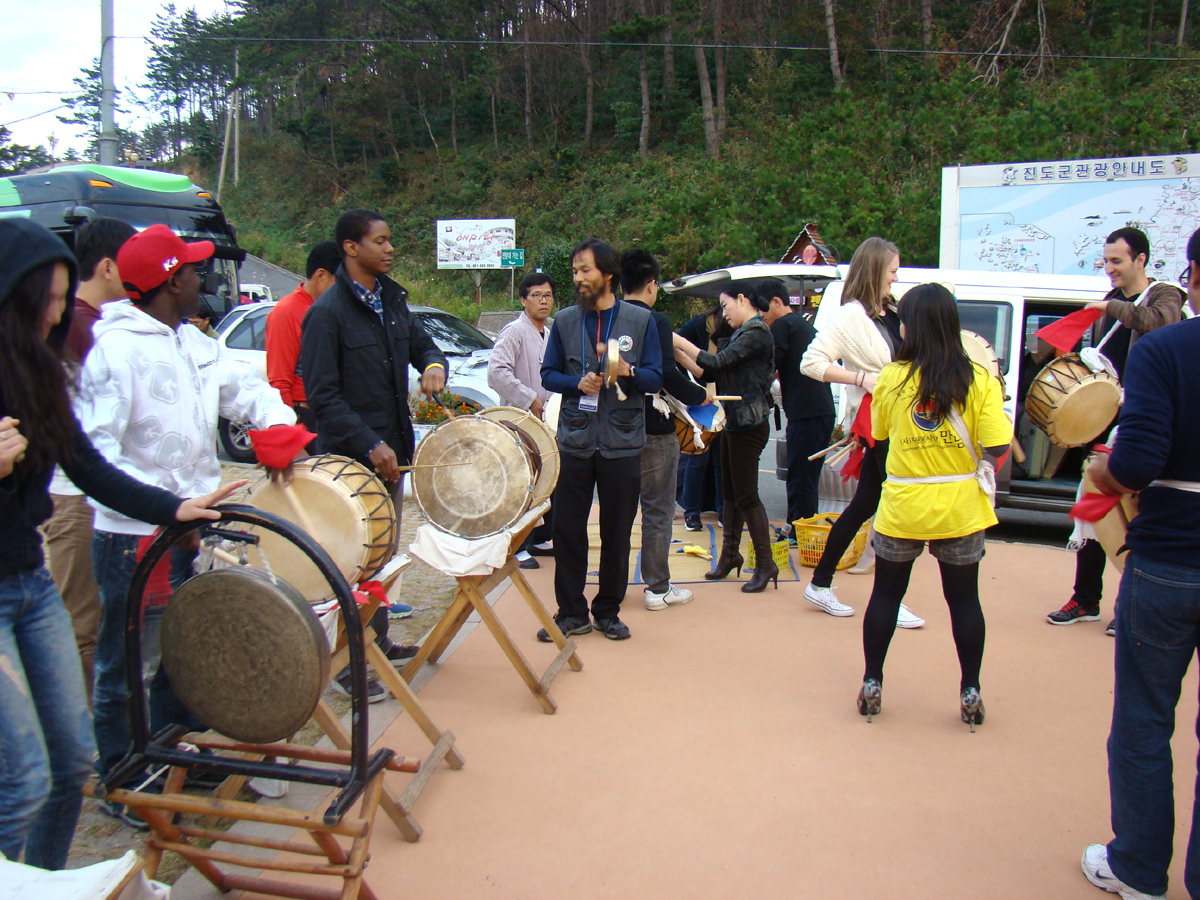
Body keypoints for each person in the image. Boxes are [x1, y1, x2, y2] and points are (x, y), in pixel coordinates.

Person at [0, 218, 240, 869]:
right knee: (22, 772)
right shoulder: (110, 350)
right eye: (47, 301)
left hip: (28, 581)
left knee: (68, 760)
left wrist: (174, 507)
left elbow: (86, 463)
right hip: (39, 574)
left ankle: (41, 880)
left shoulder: (42, 371)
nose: (60, 313)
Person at [77, 224, 296, 826]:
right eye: (195, 270)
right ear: (173, 280)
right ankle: (123, 773)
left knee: (185, 646)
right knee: (125, 661)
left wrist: (279, 432)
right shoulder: (113, 351)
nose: (204, 278)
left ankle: (173, 751)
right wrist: (161, 504)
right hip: (132, 533)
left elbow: (246, 390)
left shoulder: (192, 341)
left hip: (189, 526)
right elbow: (95, 452)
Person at [1078, 226, 1200, 900]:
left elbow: (1136, 463)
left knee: (1147, 721)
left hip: (1171, 561)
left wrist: (1103, 474)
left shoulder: (1165, 349)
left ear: (1194, 276)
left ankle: (1139, 869)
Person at [298, 210, 445, 683]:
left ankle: (377, 641)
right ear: (351, 247)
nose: (390, 249)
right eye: (380, 241)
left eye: (390, 241)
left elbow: (422, 344)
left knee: (380, 557)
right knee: (350, 561)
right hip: (348, 461)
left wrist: (433, 364)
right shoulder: (326, 314)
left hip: (392, 455)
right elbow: (322, 397)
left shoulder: (392, 300)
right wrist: (370, 441)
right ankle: (348, 664)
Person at [855, 283, 1011, 728]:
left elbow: (880, 436)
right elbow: (998, 443)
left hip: (903, 503)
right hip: (959, 507)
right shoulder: (978, 379)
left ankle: (872, 681)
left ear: (910, 326)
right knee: (964, 601)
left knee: (886, 593)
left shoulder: (892, 378)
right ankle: (971, 689)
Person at [1047, 226, 1184, 634]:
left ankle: (1130, 605)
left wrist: (1111, 311)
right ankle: (1085, 599)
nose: (1109, 269)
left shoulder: (1164, 294)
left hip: (1144, 419)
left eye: (1117, 261)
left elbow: (1163, 325)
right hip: (1107, 421)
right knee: (1092, 508)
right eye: (1106, 261)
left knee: (1134, 515)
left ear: (1141, 260)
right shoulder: (1111, 300)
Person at [538, 238, 662, 641]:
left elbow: (656, 378)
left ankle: (607, 610)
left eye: (585, 270)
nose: (578, 279)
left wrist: (626, 370)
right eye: (575, 271)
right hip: (574, 438)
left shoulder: (641, 322)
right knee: (568, 530)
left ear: (608, 274)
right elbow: (548, 375)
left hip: (622, 442)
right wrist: (577, 383)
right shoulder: (565, 321)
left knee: (617, 532)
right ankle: (571, 612)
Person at [799, 237, 925, 628]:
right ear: (874, 271)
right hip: (882, 427)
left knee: (865, 508)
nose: (896, 277)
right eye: (891, 271)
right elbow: (812, 363)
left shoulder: (893, 309)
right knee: (891, 511)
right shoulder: (849, 317)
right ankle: (885, 597)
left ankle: (823, 584)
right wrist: (863, 378)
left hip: (902, 425)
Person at [40, 217, 135, 704]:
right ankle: (77, 736)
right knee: (80, 621)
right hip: (76, 497)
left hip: (101, 491)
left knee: (105, 622)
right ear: (107, 266)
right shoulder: (76, 326)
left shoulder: (96, 323)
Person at [674, 280, 778, 593]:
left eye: (725, 305)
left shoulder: (757, 332)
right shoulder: (741, 334)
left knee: (746, 495)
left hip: (750, 424)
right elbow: (710, 373)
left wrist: (677, 339)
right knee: (730, 493)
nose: (723, 313)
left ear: (742, 299)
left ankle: (765, 563)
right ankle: (730, 556)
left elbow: (716, 362)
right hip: (735, 422)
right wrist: (674, 352)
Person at [620, 249, 710, 610]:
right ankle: (657, 589)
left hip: (614, 430)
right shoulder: (654, 320)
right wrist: (701, 397)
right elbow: (668, 376)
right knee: (657, 511)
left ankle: (610, 591)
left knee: (618, 512)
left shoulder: (607, 317)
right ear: (652, 285)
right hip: (654, 428)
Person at [487, 272, 557, 569]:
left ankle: (540, 537)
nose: (543, 301)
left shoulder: (551, 333)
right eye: (537, 295)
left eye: (548, 295)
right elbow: (496, 372)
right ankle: (518, 546)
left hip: (547, 421)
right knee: (523, 482)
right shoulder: (514, 331)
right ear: (523, 300)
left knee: (548, 477)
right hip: (520, 421)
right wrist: (529, 398)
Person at [760, 277, 835, 542]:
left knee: (800, 475)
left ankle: (797, 531)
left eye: (763, 309)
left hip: (807, 412)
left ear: (777, 302)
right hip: (821, 410)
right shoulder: (803, 325)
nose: (761, 315)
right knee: (807, 476)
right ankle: (804, 529)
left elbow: (769, 367)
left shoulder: (783, 325)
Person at [265, 240, 341, 452]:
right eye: (341, 280)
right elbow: (279, 379)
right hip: (305, 414)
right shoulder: (286, 312)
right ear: (321, 276)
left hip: (334, 414)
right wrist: (290, 433)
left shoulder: (336, 309)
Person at [676, 303, 730, 530]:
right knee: (698, 456)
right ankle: (691, 512)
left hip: (724, 398)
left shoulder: (737, 330)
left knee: (721, 459)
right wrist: (688, 387)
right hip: (700, 397)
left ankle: (723, 511)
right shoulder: (697, 326)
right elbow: (674, 350)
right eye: (725, 308)